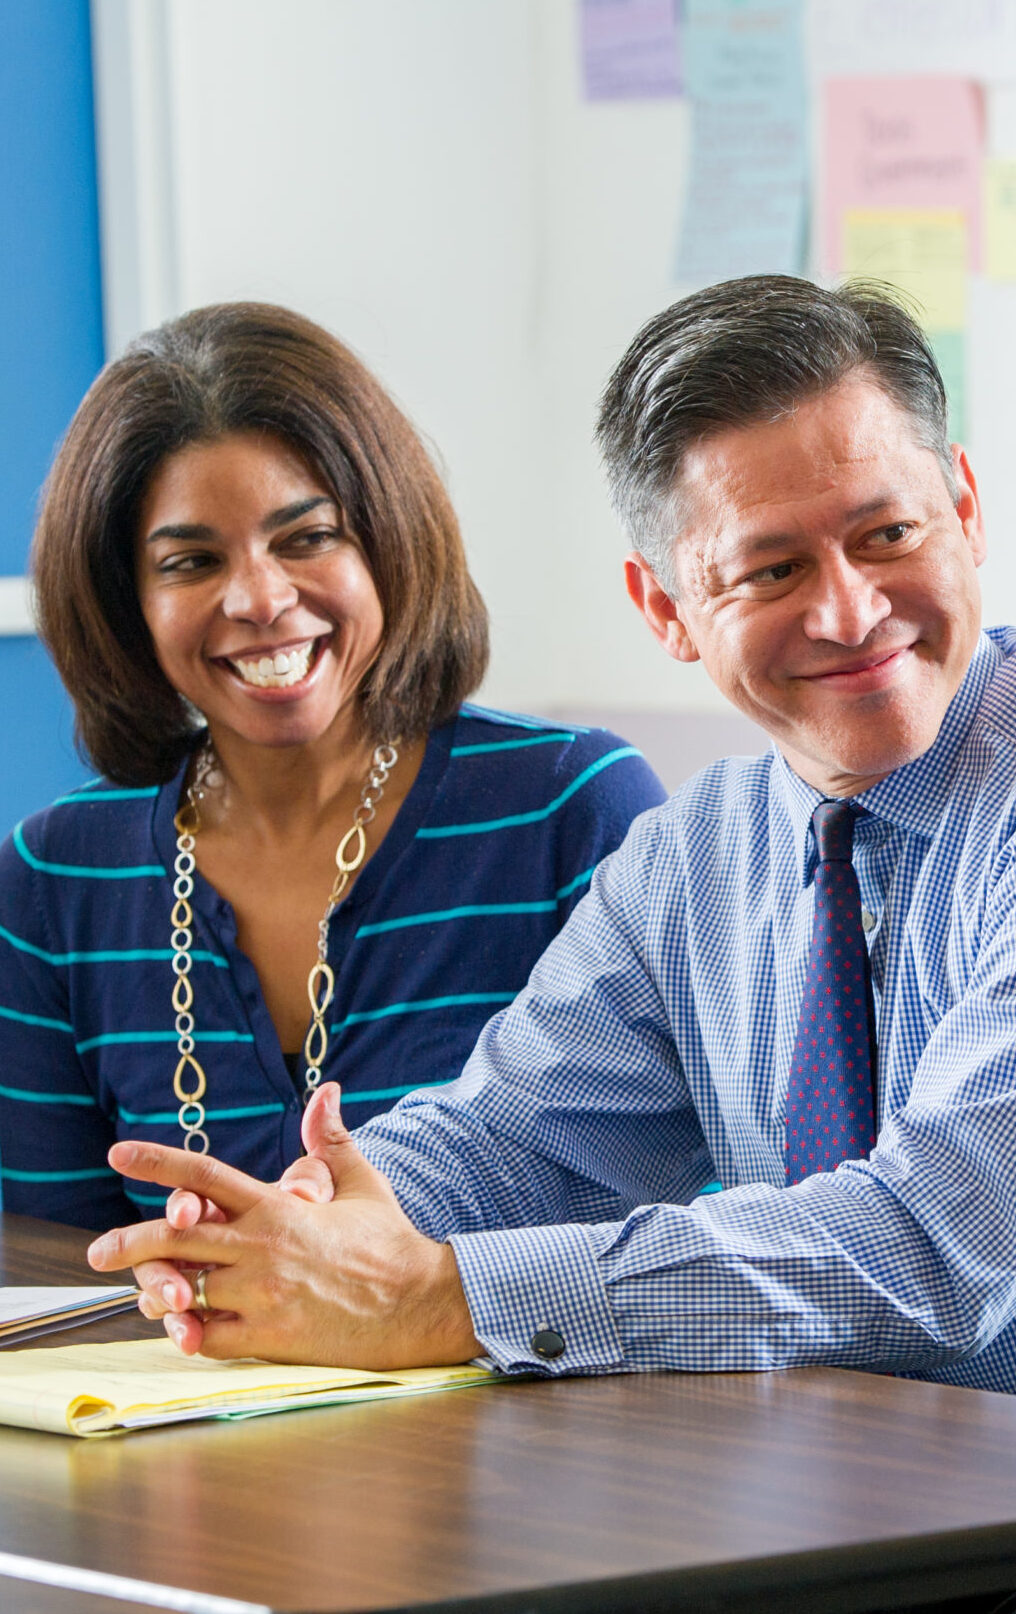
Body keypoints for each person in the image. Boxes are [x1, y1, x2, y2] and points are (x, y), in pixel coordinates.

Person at [90, 276, 1016, 1412]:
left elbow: (942, 1251)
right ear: (668, 610)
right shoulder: (700, 849)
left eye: (888, 535)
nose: (850, 609)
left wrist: (440, 1296)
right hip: (844, 1514)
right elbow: (517, 1138)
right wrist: (328, 1220)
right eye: (771, 569)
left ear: (964, 509)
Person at [0, 302, 664, 1229]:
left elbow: (674, 1204)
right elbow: (54, 1268)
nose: (262, 598)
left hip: (538, 1371)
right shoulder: (54, 874)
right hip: (173, 1371)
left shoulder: (569, 806)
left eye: (308, 538)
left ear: (387, 539)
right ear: (126, 603)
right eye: (191, 561)